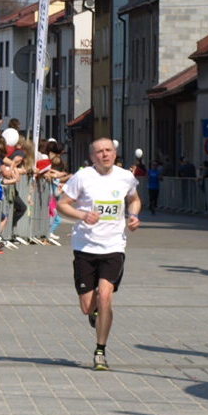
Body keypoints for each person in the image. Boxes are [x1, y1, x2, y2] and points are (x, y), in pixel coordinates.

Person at [57, 137, 141, 372]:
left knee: (105, 295)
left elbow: (134, 199)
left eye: (108, 150)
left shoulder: (125, 177)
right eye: (99, 152)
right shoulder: (82, 177)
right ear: (92, 156)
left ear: (115, 153)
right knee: (87, 306)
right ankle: (94, 312)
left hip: (113, 246)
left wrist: (133, 216)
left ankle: (100, 351)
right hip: (85, 247)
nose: (105, 154)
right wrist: (82, 215)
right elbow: (63, 204)